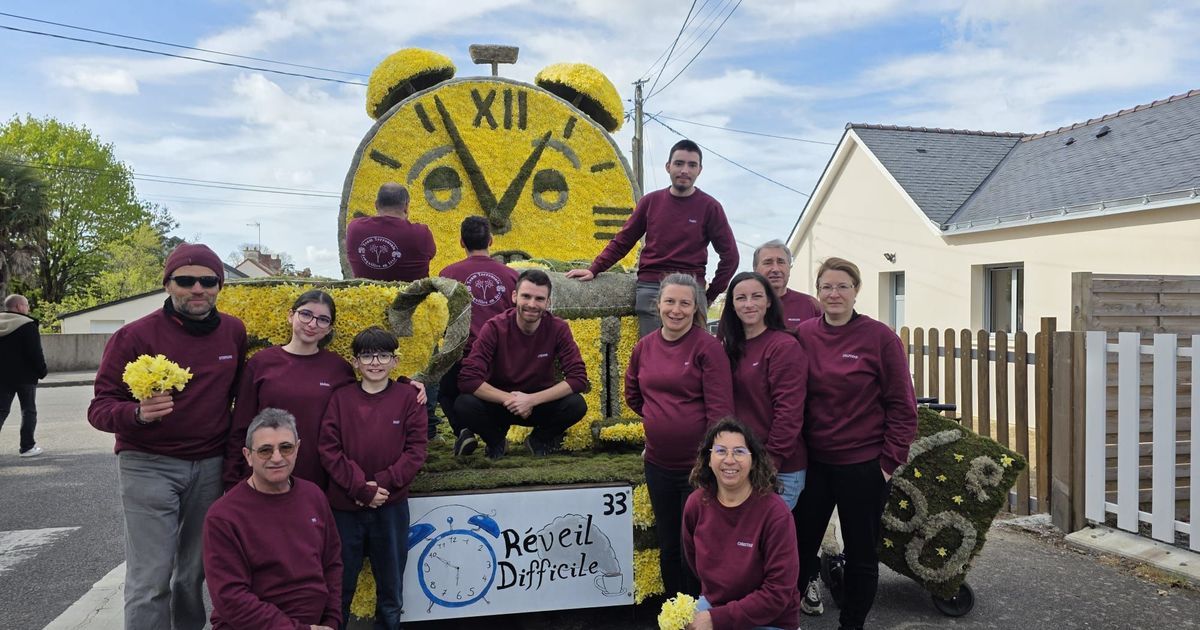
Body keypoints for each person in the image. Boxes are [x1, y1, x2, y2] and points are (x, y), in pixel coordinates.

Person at [87, 243, 248, 629]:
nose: (197, 289)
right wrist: (136, 414)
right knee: (150, 580)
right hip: (147, 464)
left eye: (208, 281)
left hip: (208, 466)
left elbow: (240, 397)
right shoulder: (133, 336)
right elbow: (99, 408)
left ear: (219, 286)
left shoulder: (233, 331)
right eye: (186, 280)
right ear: (168, 284)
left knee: (192, 576)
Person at [794, 257, 917, 630]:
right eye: (827, 287)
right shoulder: (805, 336)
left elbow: (902, 405)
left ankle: (851, 624)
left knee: (861, 554)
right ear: (818, 293)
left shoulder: (880, 338)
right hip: (814, 464)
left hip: (863, 466)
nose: (834, 294)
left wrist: (887, 463)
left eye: (842, 286)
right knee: (798, 550)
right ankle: (784, 618)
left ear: (856, 291)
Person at [224, 290, 425, 489]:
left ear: (329, 329)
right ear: (290, 315)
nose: (312, 324)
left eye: (322, 319)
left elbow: (368, 393)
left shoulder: (338, 368)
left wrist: (405, 384)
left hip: (321, 477)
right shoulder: (261, 363)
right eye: (306, 314)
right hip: (267, 473)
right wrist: (233, 480)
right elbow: (241, 425)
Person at [625, 273, 733, 597]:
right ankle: (674, 611)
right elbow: (634, 395)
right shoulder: (644, 347)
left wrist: (709, 460)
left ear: (695, 307)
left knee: (695, 549)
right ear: (657, 305)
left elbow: (720, 411)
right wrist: (661, 419)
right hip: (657, 464)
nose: (676, 309)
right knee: (669, 545)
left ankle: (701, 613)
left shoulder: (707, 348)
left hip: (696, 468)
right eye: (670, 301)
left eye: (685, 303)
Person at [566, 139, 739, 337]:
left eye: (692, 165)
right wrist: (594, 269)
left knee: (692, 360)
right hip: (652, 287)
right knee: (653, 356)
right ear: (668, 167)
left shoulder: (710, 207)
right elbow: (624, 240)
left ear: (700, 170)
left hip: (691, 290)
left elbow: (731, 256)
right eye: (679, 163)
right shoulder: (650, 202)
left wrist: (708, 295)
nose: (685, 170)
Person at [319, 326, 428, 629]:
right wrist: (359, 488)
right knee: (339, 587)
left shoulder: (409, 398)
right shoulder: (340, 398)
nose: (375, 362)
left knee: (391, 590)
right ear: (355, 362)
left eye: (382, 355)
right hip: (345, 507)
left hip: (390, 507)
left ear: (395, 361)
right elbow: (329, 449)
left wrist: (381, 483)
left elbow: (416, 450)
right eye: (367, 356)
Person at [204, 409, 342, 630]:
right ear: (248, 456)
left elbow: (332, 564)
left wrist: (333, 621)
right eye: (265, 450)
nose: (277, 458)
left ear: (297, 449)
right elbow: (230, 597)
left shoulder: (314, 496)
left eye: (285, 447)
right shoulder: (224, 516)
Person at [455, 269, 589, 459]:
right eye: (526, 296)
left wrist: (531, 400)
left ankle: (539, 440)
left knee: (576, 404)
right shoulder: (494, 327)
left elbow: (578, 378)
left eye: (539, 299)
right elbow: (468, 379)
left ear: (548, 303)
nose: (532, 304)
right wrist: (510, 399)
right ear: (515, 296)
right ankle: (496, 441)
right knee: (464, 404)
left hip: (539, 404)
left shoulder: (559, 328)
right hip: (500, 404)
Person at [683, 418, 800, 630]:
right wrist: (715, 614)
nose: (729, 460)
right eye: (720, 451)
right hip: (715, 606)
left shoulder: (775, 513)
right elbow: (693, 560)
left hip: (770, 619)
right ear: (708, 459)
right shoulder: (696, 504)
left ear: (754, 460)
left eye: (739, 451)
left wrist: (717, 619)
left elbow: (778, 592)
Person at [717, 272, 808, 509]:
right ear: (732, 305)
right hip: (738, 464)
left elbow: (789, 413)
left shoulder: (783, 346)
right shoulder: (728, 347)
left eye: (756, 296)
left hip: (778, 469)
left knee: (763, 544)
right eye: (741, 298)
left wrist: (768, 463)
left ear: (769, 301)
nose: (748, 304)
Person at [438, 216, 519, 455]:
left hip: (462, 353)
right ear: (491, 240)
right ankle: (489, 437)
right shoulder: (512, 276)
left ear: (461, 242)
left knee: (446, 393)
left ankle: (463, 431)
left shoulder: (448, 274)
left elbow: (441, 315)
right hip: (502, 355)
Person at [346, 182, 436, 281]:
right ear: (406, 206)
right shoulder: (421, 233)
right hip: (411, 295)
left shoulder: (355, 228)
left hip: (366, 294)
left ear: (376, 204)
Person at [0, 294, 47, 457]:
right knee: (28, 410)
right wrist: (42, 371)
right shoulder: (27, 325)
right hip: (25, 377)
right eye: (26, 305)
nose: (28, 308)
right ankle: (27, 447)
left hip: (2, 377)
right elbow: (35, 353)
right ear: (19, 307)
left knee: (1, 411)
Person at [753, 239, 821, 329]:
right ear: (755, 269)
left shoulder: (810, 305)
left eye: (781, 262)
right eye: (768, 263)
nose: (776, 269)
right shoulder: (746, 306)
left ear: (789, 267)